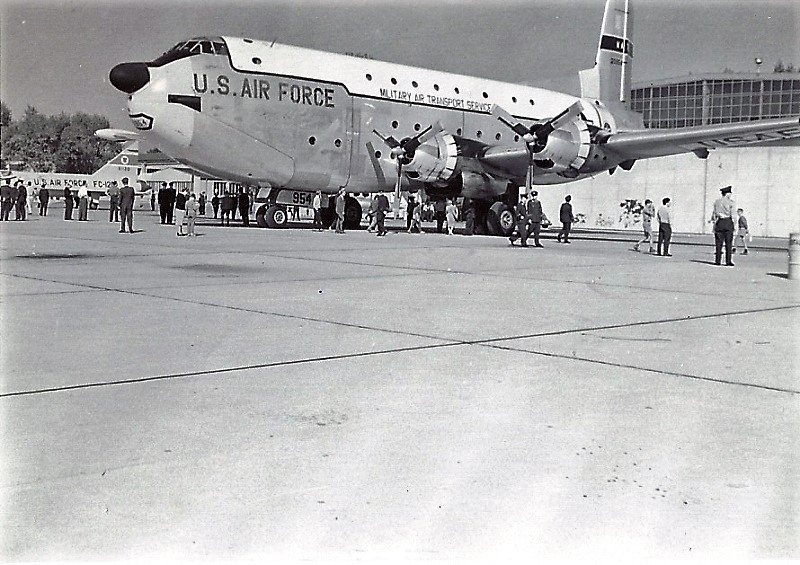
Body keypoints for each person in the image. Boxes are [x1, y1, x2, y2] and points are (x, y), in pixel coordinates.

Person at [710, 186, 735, 266]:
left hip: (719, 222)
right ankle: (728, 261)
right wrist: (734, 225)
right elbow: (733, 214)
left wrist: (714, 222)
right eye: (730, 193)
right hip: (728, 222)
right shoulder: (731, 202)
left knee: (718, 243)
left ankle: (717, 261)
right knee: (729, 243)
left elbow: (714, 214)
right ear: (727, 194)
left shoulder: (717, 202)